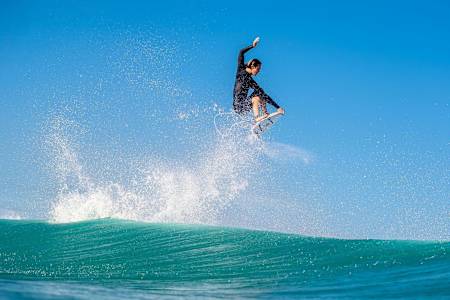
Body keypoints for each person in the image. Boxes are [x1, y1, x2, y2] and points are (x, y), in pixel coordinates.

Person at [233, 37, 285, 122]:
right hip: (238, 106)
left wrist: (278, 107)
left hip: (244, 105)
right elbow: (241, 52)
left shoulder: (250, 81)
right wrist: (252, 46)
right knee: (256, 98)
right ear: (252, 66)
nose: (258, 72)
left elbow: (264, 95)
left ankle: (265, 113)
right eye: (258, 69)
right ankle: (257, 118)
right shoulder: (241, 70)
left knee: (261, 93)